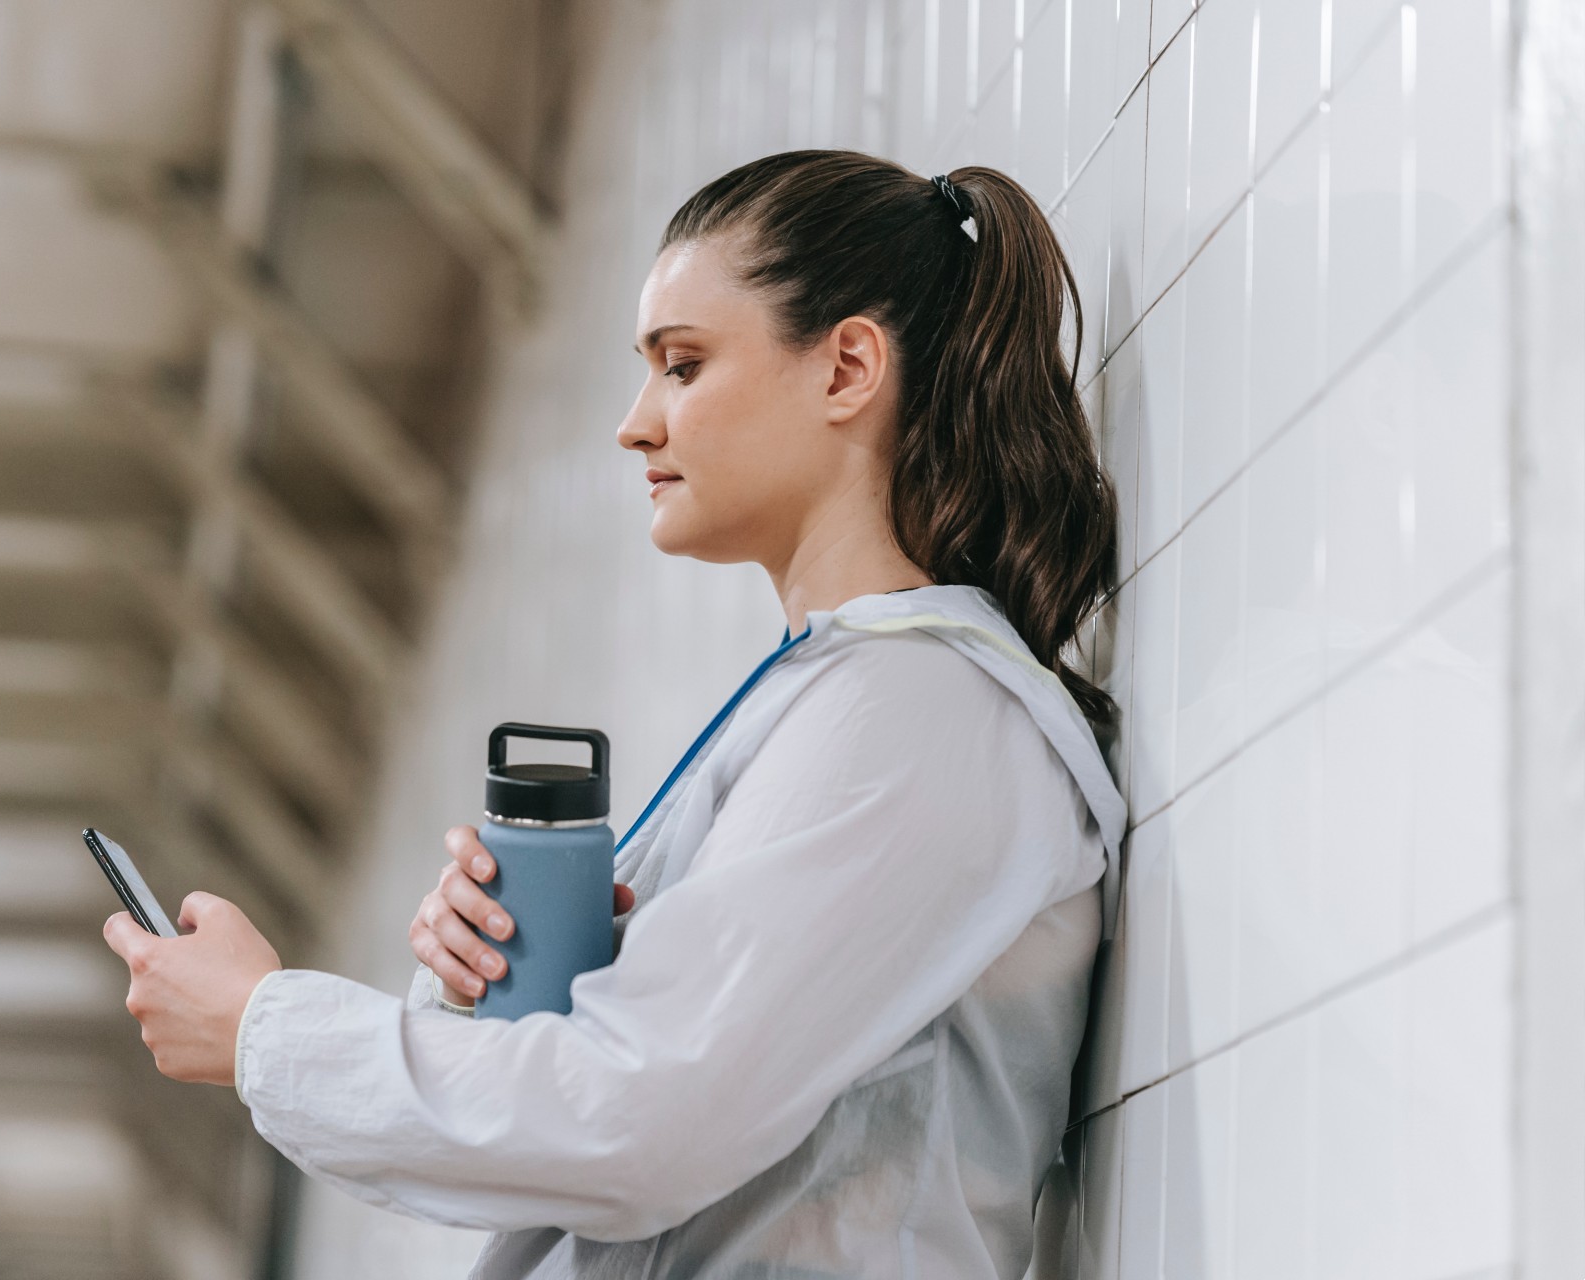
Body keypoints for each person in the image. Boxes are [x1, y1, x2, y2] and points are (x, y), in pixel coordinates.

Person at [105, 151, 1126, 1280]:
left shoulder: (923, 709)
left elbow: (637, 1123)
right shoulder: (840, 694)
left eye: (681, 366)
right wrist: (482, 982)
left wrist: (265, 1029)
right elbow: (614, 1123)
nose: (636, 425)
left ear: (846, 368)